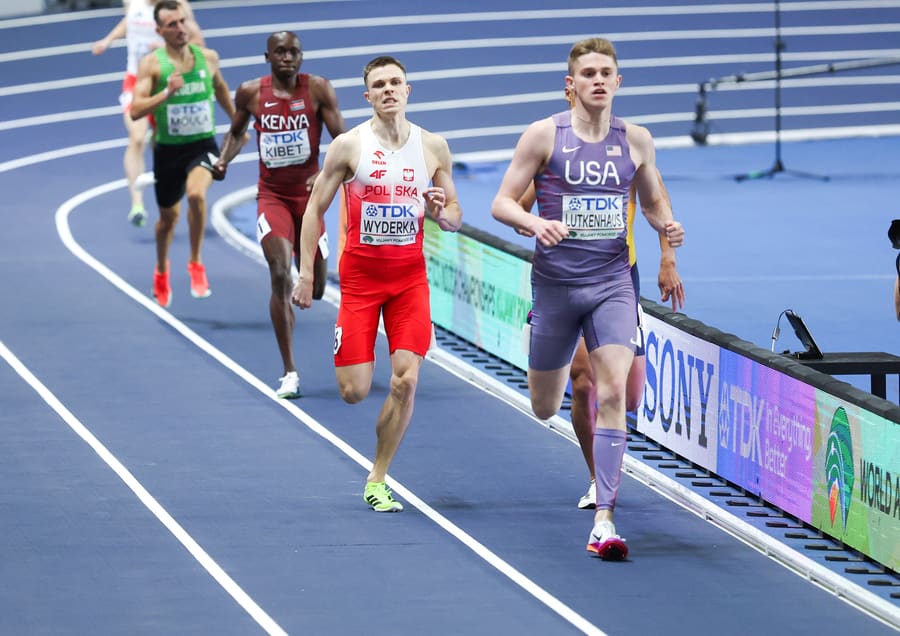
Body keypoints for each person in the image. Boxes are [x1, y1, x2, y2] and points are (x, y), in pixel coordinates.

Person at [491, 37, 684, 559]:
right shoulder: (542, 136)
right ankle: (545, 341)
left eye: (607, 73)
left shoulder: (637, 140)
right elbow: (502, 203)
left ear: (618, 82)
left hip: (612, 282)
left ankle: (605, 518)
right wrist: (535, 222)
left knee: (614, 394)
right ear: (570, 84)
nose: (599, 80)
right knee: (543, 405)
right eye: (589, 73)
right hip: (554, 287)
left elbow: (653, 201)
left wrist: (666, 229)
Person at [291, 55, 462, 512]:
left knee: (405, 381)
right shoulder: (349, 147)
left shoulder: (433, 147)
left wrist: (438, 209)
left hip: (409, 281)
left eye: (396, 83)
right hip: (361, 282)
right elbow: (313, 211)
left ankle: (378, 477)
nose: (389, 90)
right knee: (354, 392)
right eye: (379, 85)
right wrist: (307, 274)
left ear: (409, 90)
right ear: (367, 96)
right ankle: (375, 460)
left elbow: (454, 218)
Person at [213, 31, 346, 399]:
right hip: (272, 196)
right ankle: (289, 371)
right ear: (267, 57)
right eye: (281, 52)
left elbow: (344, 141)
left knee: (316, 288)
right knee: (278, 273)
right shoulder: (251, 92)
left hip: (309, 200)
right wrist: (224, 159)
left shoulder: (318, 89)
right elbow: (236, 132)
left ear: (301, 57)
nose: (288, 58)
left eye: (294, 52)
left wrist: (325, 173)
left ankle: (314, 267)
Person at [130, 0, 238, 307]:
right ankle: (162, 270)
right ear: (160, 30)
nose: (181, 29)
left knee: (196, 195)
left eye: (182, 22)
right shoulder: (153, 64)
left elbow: (220, 88)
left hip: (202, 144)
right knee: (167, 220)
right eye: (173, 25)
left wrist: (237, 122)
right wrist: (167, 93)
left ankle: (195, 263)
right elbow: (136, 111)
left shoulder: (209, 58)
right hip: (168, 151)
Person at [92, 0, 203, 227]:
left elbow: (198, 42)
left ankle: (175, 201)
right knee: (136, 138)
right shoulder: (131, 2)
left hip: (166, 83)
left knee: (168, 145)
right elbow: (129, 20)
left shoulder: (178, 7)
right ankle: (137, 204)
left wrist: (165, 48)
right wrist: (109, 39)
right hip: (135, 81)